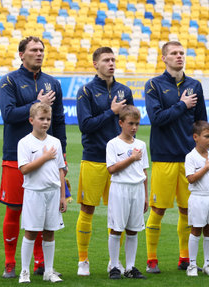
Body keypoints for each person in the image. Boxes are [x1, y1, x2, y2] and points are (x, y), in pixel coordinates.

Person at [0, 36, 66, 278]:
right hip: (16, 156)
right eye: (34, 50)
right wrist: (36, 102)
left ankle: (40, 263)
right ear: (21, 54)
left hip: (49, 156)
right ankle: (10, 262)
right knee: (15, 209)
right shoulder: (9, 81)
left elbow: (58, 121)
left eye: (41, 50)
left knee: (45, 209)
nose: (39, 53)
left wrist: (63, 154)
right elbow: (8, 114)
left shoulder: (53, 83)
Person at [144, 41, 207, 273]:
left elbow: (201, 122)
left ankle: (185, 258)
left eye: (182, 53)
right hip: (164, 157)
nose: (179, 56)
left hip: (189, 158)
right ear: (164, 58)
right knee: (158, 210)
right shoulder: (153, 85)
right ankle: (152, 259)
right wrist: (181, 105)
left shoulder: (195, 85)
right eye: (174, 53)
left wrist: (202, 149)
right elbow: (156, 118)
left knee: (187, 210)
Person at [75, 47, 133, 276]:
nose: (111, 63)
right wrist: (112, 112)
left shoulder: (124, 90)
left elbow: (131, 125)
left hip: (120, 162)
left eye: (113, 59)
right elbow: (85, 125)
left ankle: (114, 263)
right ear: (95, 64)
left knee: (117, 212)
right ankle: (83, 261)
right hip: (94, 158)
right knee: (87, 208)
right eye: (106, 60)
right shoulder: (86, 91)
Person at [17, 103, 67, 283]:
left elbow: (61, 169)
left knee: (50, 231)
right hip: (34, 193)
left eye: (48, 119)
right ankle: (24, 271)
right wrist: (44, 157)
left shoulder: (55, 142)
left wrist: (63, 196)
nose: (45, 122)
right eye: (41, 119)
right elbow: (24, 169)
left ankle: (49, 271)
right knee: (31, 231)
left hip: (53, 193)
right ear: (32, 120)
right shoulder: (24, 142)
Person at [106, 106, 148, 280]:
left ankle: (130, 267)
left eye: (137, 124)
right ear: (121, 123)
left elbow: (145, 171)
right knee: (117, 228)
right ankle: (114, 265)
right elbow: (112, 169)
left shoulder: (141, 145)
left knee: (133, 229)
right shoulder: (113, 144)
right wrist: (131, 158)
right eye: (131, 123)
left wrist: (146, 195)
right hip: (120, 188)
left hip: (137, 189)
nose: (134, 128)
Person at [184, 121, 209, 277]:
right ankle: (192, 265)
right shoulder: (191, 157)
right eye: (207, 136)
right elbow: (191, 179)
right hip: (198, 198)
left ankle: (208, 263)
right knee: (196, 230)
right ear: (196, 137)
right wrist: (205, 168)